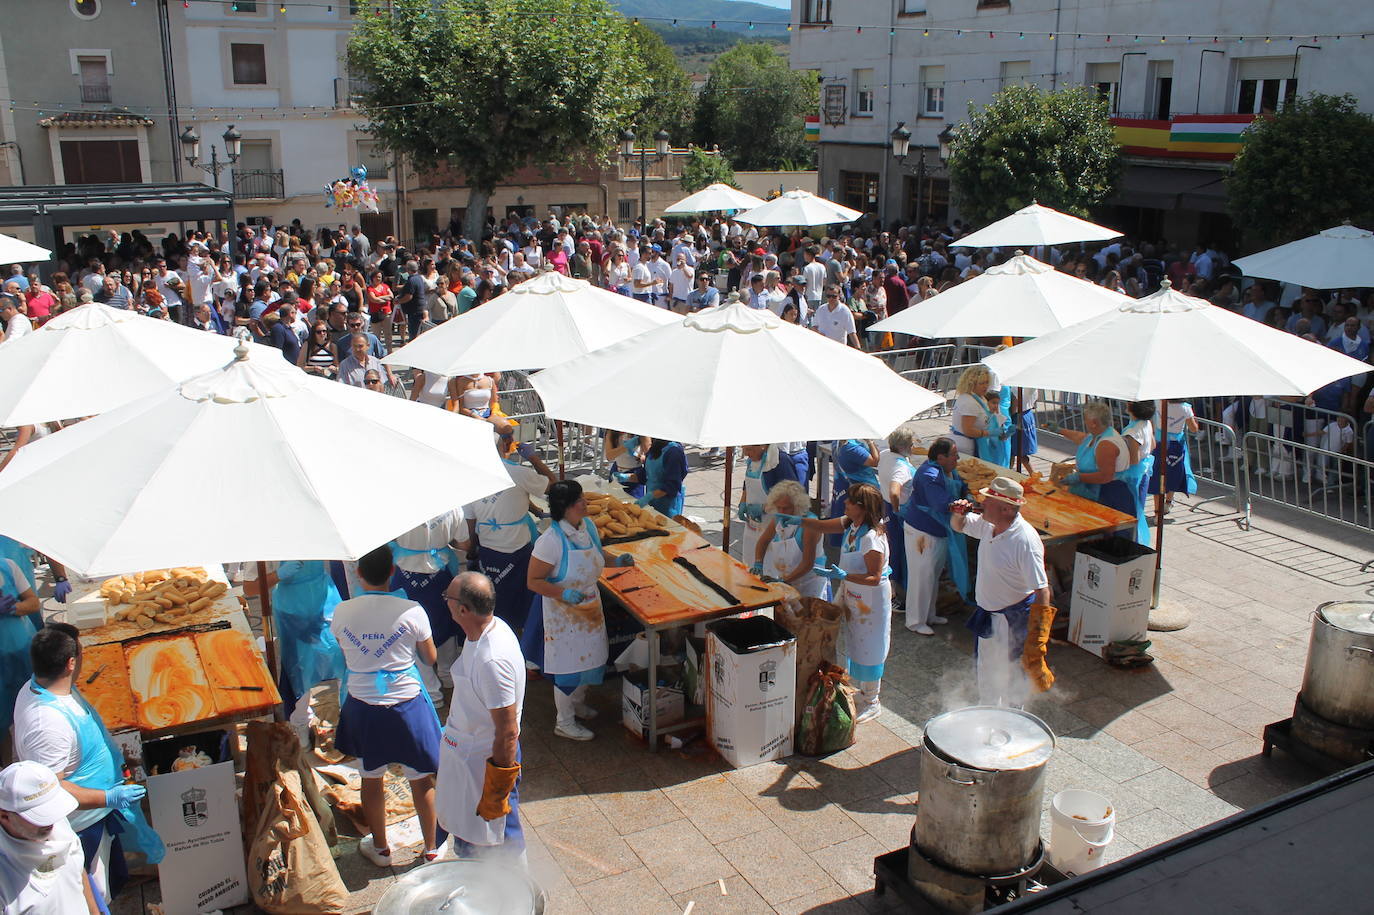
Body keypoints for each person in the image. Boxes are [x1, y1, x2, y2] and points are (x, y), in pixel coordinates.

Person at [14, 624, 160, 906]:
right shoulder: (48, 725)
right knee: (94, 893)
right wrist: (108, 796)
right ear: (70, 663)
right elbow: (51, 789)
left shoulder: (49, 686)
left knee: (108, 881)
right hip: (81, 825)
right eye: (81, 654)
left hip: (97, 814)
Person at [330, 545, 443, 866]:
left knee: (370, 776)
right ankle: (432, 848)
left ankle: (380, 848)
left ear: (359, 573)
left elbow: (345, 649)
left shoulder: (342, 611)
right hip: (407, 702)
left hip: (362, 705)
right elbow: (430, 658)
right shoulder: (412, 610)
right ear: (392, 571)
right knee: (421, 778)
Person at [525, 480, 634, 741]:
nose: (585, 504)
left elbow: (598, 555)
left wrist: (616, 562)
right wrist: (563, 593)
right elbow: (533, 581)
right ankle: (564, 721)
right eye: (580, 501)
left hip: (589, 606)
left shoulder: (588, 528)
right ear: (566, 507)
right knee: (568, 667)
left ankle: (577, 703)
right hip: (562, 614)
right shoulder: (549, 542)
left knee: (591, 659)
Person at [434, 572, 527, 863]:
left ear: (463, 610)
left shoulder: (491, 660)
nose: (445, 602)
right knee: (469, 840)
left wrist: (497, 789)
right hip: (466, 754)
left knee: (499, 840)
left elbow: (507, 731)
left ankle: (517, 896)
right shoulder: (487, 630)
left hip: (483, 763)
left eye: (447, 598)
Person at [950, 477, 1051, 708]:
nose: (982, 502)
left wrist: (1037, 638)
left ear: (1006, 509)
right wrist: (959, 513)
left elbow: (1042, 589)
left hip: (1013, 619)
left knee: (1011, 679)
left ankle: (1012, 727)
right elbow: (959, 526)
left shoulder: (1024, 540)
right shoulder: (989, 524)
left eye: (988, 500)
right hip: (988, 614)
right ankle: (988, 719)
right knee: (987, 675)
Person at [802, 483, 892, 722]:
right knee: (855, 642)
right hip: (854, 592)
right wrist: (797, 521)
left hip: (871, 600)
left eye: (849, 501)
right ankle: (861, 692)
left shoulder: (872, 538)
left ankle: (872, 700)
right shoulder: (850, 524)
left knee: (871, 647)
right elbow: (822, 526)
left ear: (861, 508)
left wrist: (842, 576)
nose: (845, 503)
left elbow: (873, 577)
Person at [466, 438, 555, 640]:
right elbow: (554, 485)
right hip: (517, 552)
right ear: (504, 448)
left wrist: (472, 549)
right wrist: (534, 458)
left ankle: (497, 639)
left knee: (495, 603)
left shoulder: (472, 475)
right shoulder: (518, 472)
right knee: (521, 606)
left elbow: (470, 521)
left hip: (488, 551)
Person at [389, 509, 471, 707]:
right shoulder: (451, 506)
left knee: (411, 631)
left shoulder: (394, 505)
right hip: (440, 573)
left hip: (405, 577)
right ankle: (448, 675)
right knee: (445, 623)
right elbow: (464, 543)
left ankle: (432, 692)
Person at [0, 760, 99, 914]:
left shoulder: (57, 824)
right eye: (40, 816)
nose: (51, 821)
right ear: (4, 816)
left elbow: (77, 872)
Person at [271, 561, 347, 746]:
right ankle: (300, 725)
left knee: (342, 661)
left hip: (326, 602)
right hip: (291, 612)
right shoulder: (268, 544)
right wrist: (278, 574)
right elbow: (249, 588)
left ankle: (347, 721)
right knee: (299, 671)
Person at [901, 437, 968, 635]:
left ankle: (929, 615)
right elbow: (940, 503)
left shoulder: (946, 470)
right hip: (922, 532)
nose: (957, 458)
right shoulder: (929, 475)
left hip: (937, 530)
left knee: (933, 574)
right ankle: (914, 621)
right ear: (941, 457)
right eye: (954, 454)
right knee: (921, 576)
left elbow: (958, 487)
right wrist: (964, 505)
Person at [752, 480, 828, 599]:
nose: (782, 512)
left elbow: (808, 563)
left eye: (786, 508)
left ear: (798, 506)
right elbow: (763, 541)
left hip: (809, 583)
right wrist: (758, 562)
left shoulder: (810, 525)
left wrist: (783, 581)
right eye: (779, 507)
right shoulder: (778, 519)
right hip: (787, 579)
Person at [1060, 401, 1136, 521]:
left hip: (1109, 496)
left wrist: (1078, 477)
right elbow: (1080, 437)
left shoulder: (1106, 444)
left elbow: (1105, 476)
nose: (1084, 422)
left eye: (1085, 419)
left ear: (1094, 423)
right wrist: (1059, 430)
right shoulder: (1097, 435)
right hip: (1095, 493)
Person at [0, 556, 39, 760]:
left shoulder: (8, 566)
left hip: (22, 654)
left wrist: (14, 607)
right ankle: (6, 772)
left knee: (34, 711)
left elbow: (33, 602)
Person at [1147, 399, 1200, 511]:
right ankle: (1168, 502)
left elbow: (1151, 421)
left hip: (1160, 441)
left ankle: (1157, 512)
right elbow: (1193, 428)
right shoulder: (1186, 408)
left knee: (1158, 476)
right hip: (1176, 444)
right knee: (1174, 473)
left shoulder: (1158, 402)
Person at [1122, 401, 1158, 543]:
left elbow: (1133, 459)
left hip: (1132, 476)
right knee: (1138, 509)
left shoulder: (1133, 432)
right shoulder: (1147, 423)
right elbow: (1153, 445)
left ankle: (1131, 541)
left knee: (1131, 512)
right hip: (1144, 472)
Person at [735, 444, 777, 564]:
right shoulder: (751, 461)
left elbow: (791, 497)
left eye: (749, 449)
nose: (747, 453)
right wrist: (743, 501)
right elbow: (747, 483)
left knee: (767, 566)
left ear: (762, 445)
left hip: (772, 526)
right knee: (749, 562)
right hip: (752, 525)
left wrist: (763, 508)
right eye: (744, 449)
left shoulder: (777, 462)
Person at [950, 365, 995, 458]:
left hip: (974, 444)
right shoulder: (969, 402)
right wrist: (988, 433)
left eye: (987, 382)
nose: (985, 386)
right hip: (967, 447)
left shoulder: (978, 397)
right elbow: (968, 430)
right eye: (981, 383)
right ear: (971, 384)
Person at [638, 438, 688, 518]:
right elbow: (644, 475)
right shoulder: (655, 447)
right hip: (653, 502)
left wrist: (649, 496)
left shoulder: (674, 452)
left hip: (669, 505)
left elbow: (672, 485)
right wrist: (625, 477)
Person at [604, 431, 645, 499]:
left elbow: (648, 457)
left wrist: (637, 455)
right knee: (614, 501)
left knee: (634, 504)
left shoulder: (641, 433)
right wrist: (625, 447)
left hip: (635, 474)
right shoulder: (612, 432)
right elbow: (609, 456)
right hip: (616, 471)